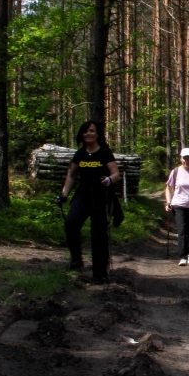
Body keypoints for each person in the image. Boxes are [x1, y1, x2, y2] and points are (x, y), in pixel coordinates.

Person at [57, 121, 120, 284]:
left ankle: (100, 272)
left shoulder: (104, 153)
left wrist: (109, 179)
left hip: (100, 196)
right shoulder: (79, 154)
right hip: (82, 195)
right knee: (71, 223)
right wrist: (64, 195)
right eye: (85, 131)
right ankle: (76, 259)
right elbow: (71, 175)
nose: (88, 134)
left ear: (97, 134)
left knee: (99, 234)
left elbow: (116, 174)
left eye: (92, 131)